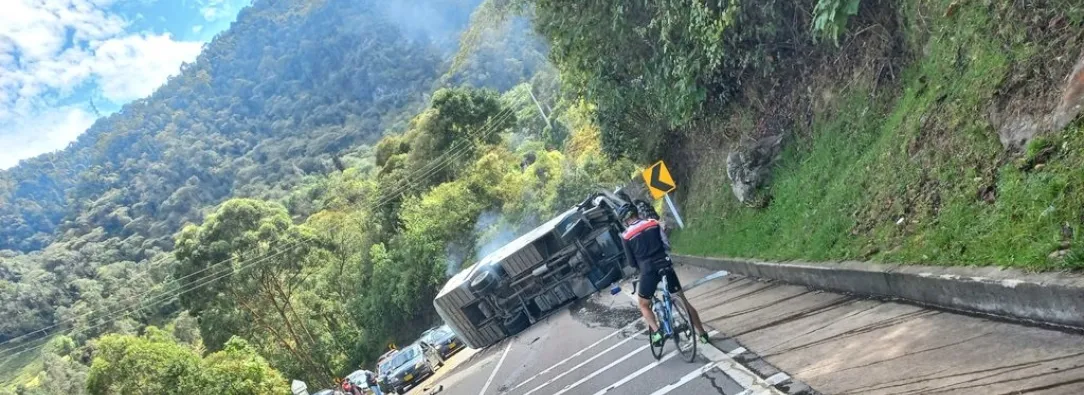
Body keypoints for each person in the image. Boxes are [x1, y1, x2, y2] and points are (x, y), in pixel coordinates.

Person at [617, 202, 708, 346]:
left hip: (648, 271)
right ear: (636, 213)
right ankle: (702, 334)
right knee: (683, 301)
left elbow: (632, 263)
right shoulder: (653, 223)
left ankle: (657, 331)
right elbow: (667, 244)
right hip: (665, 264)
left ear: (625, 220)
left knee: (644, 304)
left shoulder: (626, 236)